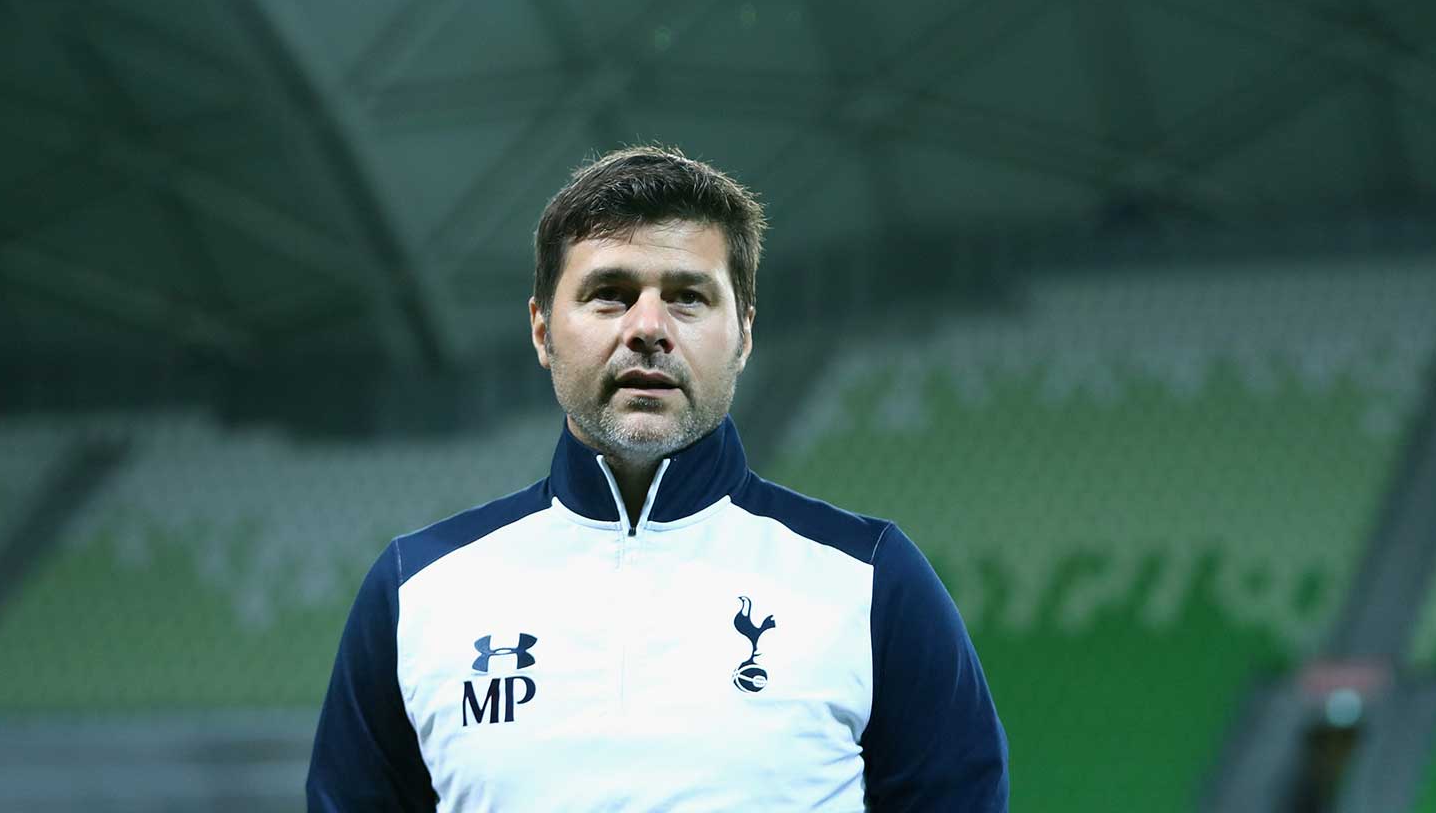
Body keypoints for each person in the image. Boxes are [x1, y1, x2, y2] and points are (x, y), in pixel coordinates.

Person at [307, 145, 1008, 810]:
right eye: (609, 294)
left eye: (688, 297)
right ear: (543, 330)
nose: (648, 327)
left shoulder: (872, 582)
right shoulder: (415, 591)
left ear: (745, 333)